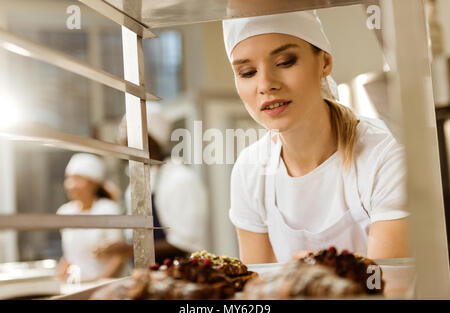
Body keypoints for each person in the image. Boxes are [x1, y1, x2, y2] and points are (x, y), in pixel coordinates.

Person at [223, 11, 411, 264]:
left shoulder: (385, 156)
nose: (265, 84)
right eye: (247, 72)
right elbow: (259, 290)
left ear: (324, 62)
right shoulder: (250, 170)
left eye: (285, 61)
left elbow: (388, 285)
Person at [116, 103, 209, 264]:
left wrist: (130, 249)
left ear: (150, 137)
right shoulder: (135, 183)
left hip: (178, 276)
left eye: (128, 129)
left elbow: (184, 243)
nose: (121, 137)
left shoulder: (180, 179)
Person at [57, 153, 129, 282]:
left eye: (78, 179)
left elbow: (119, 257)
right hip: (78, 285)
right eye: (69, 179)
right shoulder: (65, 212)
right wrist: (59, 280)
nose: (71, 185)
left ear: (94, 184)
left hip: (106, 284)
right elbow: (69, 256)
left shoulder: (107, 209)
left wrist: (98, 284)